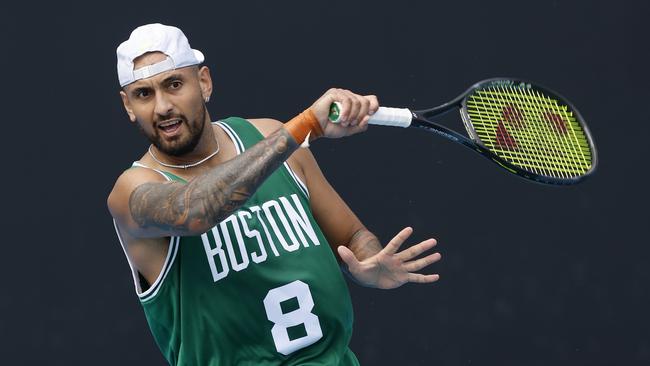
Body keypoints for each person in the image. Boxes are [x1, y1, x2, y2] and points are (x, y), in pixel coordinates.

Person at [107, 23, 441, 366]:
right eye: (143, 94)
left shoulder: (268, 136)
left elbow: (352, 236)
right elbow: (197, 210)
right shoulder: (132, 192)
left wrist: (367, 262)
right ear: (128, 105)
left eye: (174, 85)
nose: (162, 106)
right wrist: (306, 125)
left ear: (204, 82)